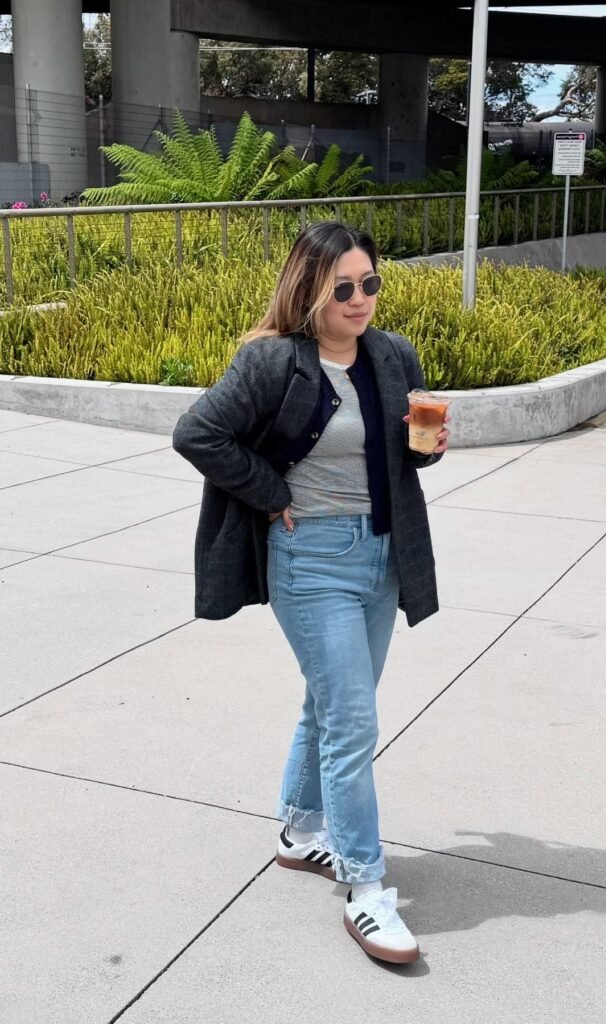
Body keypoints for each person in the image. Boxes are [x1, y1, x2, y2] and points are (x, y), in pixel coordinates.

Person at [173, 221, 449, 965]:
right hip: (312, 561)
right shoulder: (271, 362)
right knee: (353, 720)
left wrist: (426, 448)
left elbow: (394, 458)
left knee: (328, 704)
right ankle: (365, 888)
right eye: (345, 287)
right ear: (310, 288)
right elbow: (196, 433)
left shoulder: (392, 356)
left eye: (371, 283)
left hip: (382, 557)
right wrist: (268, 493)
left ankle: (300, 832)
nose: (361, 300)